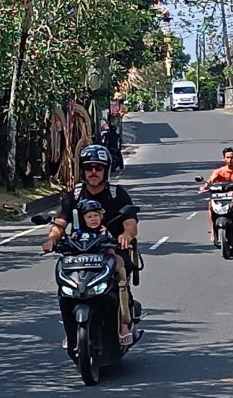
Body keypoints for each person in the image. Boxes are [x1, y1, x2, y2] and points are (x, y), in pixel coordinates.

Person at [43, 144, 139, 349]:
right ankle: (70, 330)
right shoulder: (74, 196)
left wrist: (125, 236)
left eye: (98, 167)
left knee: (119, 270)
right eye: (89, 167)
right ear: (82, 170)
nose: (93, 172)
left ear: (106, 170)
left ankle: (123, 323)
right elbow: (60, 224)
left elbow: (130, 223)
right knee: (64, 285)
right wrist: (51, 239)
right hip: (79, 252)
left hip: (110, 250)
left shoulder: (117, 194)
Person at [72, 199, 132, 344]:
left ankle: (124, 326)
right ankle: (70, 332)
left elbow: (112, 251)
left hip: (102, 268)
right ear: (82, 219)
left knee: (121, 271)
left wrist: (115, 242)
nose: (93, 219)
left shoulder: (105, 231)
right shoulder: (77, 234)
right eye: (89, 217)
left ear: (101, 217)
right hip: (83, 271)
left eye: (95, 216)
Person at [198, 147, 233, 246]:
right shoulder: (219, 171)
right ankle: (213, 232)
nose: (229, 160)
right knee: (210, 205)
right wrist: (205, 186)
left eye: (232, 157)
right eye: (227, 157)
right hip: (221, 197)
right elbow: (210, 181)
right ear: (224, 158)